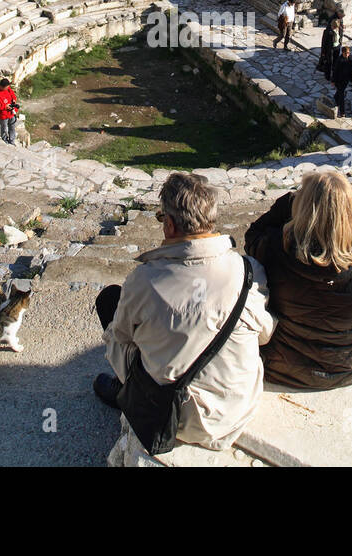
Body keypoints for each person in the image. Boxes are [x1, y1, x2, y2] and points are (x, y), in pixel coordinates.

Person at [94, 172, 275, 450]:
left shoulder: (144, 281)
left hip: (177, 418)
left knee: (110, 303)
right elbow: (264, 334)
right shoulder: (248, 271)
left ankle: (125, 394)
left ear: (168, 224)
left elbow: (121, 336)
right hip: (236, 409)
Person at [242, 169, 352, 390]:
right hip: (349, 368)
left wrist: (291, 201)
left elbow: (253, 234)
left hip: (283, 366)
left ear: (300, 208)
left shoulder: (272, 249)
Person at [0, 78, 20, 144]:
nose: (7, 89)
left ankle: (12, 140)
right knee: (4, 128)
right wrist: (4, 106)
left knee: (12, 127)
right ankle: (4, 140)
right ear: (1, 86)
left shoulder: (7, 88)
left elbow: (12, 94)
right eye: (6, 88)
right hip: (2, 115)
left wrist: (13, 100)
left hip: (11, 112)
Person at [332, 46, 352, 117]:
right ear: (342, 53)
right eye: (346, 53)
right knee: (342, 96)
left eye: (348, 53)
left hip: (346, 79)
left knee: (340, 91)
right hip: (339, 80)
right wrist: (333, 80)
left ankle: (336, 97)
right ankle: (342, 111)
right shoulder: (339, 60)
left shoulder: (351, 58)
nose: (347, 54)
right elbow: (335, 71)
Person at [318, 15, 342, 80]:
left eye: (335, 27)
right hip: (330, 49)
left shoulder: (340, 30)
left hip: (337, 48)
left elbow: (340, 38)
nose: (333, 28)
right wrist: (323, 52)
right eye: (333, 26)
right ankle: (327, 76)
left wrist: (340, 44)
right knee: (329, 63)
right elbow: (324, 43)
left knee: (335, 62)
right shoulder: (327, 32)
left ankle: (334, 75)